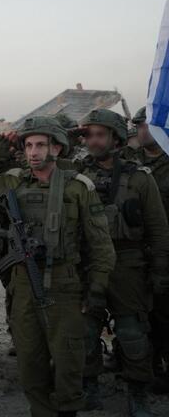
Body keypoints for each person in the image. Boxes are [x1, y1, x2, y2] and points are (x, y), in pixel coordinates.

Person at [0, 116, 116, 417]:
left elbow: (101, 245)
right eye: (29, 145)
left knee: (69, 361)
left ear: (56, 149)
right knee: (30, 361)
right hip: (23, 284)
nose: (33, 152)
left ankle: (67, 411)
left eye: (41, 145)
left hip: (65, 283)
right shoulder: (14, 180)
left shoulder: (78, 187)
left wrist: (96, 291)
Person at [76, 109, 169, 415]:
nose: (93, 141)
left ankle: (137, 392)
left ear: (115, 137)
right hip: (89, 263)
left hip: (128, 263)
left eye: (100, 134)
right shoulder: (77, 176)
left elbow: (157, 228)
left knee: (132, 333)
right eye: (88, 134)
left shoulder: (139, 178)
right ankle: (88, 387)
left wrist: (159, 271)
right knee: (85, 329)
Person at [130, 106, 169, 393]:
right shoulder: (130, 162)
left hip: (164, 248)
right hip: (137, 251)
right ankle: (146, 366)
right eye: (139, 126)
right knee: (140, 314)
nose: (142, 130)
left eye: (147, 125)